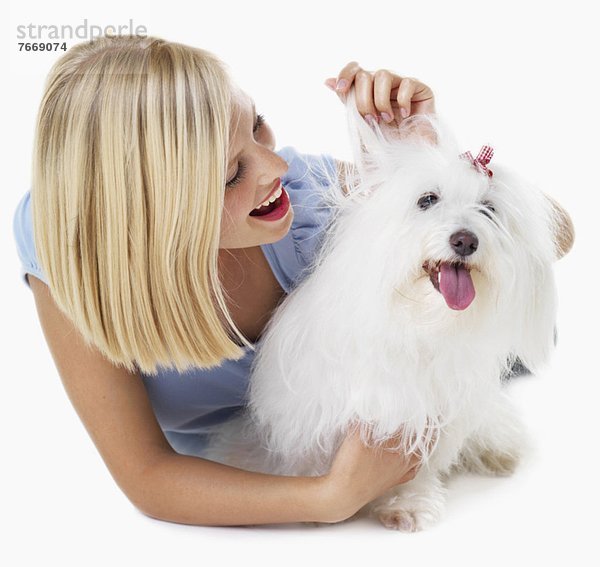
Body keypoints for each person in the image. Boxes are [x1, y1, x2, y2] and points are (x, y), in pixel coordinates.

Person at [12, 35, 573, 527]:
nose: (274, 167)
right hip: (249, 459)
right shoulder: (66, 243)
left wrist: (426, 153)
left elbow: (559, 236)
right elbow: (150, 478)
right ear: (154, 213)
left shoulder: (307, 202)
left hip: (429, 351)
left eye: (257, 125)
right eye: (234, 173)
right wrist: (329, 498)